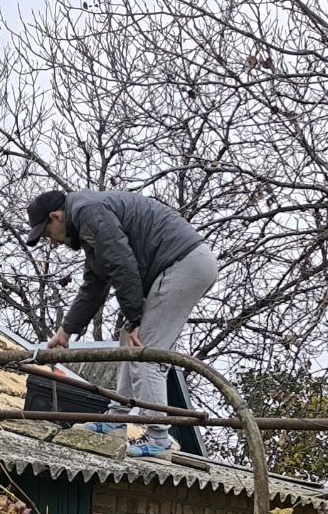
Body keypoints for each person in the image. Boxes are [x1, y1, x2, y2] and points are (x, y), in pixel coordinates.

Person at [26, 188, 218, 458]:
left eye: (47, 234)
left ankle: (159, 439)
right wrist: (66, 331)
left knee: (144, 353)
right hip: (181, 264)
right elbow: (94, 285)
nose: (53, 242)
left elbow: (121, 261)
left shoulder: (87, 211)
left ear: (56, 216)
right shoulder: (88, 226)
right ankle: (115, 419)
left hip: (182, 263)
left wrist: (135, 316)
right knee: (127, 340)